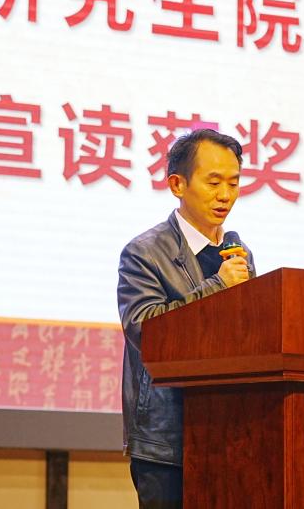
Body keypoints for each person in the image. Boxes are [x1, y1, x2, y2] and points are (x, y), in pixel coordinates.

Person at [116, 128, 255, 509]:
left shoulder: (238, 256)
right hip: (167, 443)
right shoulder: (144, 253)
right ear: (178, 184)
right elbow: (147, 331)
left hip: (232, 437)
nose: (225, 195)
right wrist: (217, 287)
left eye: (233, 183)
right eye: (213, 182)